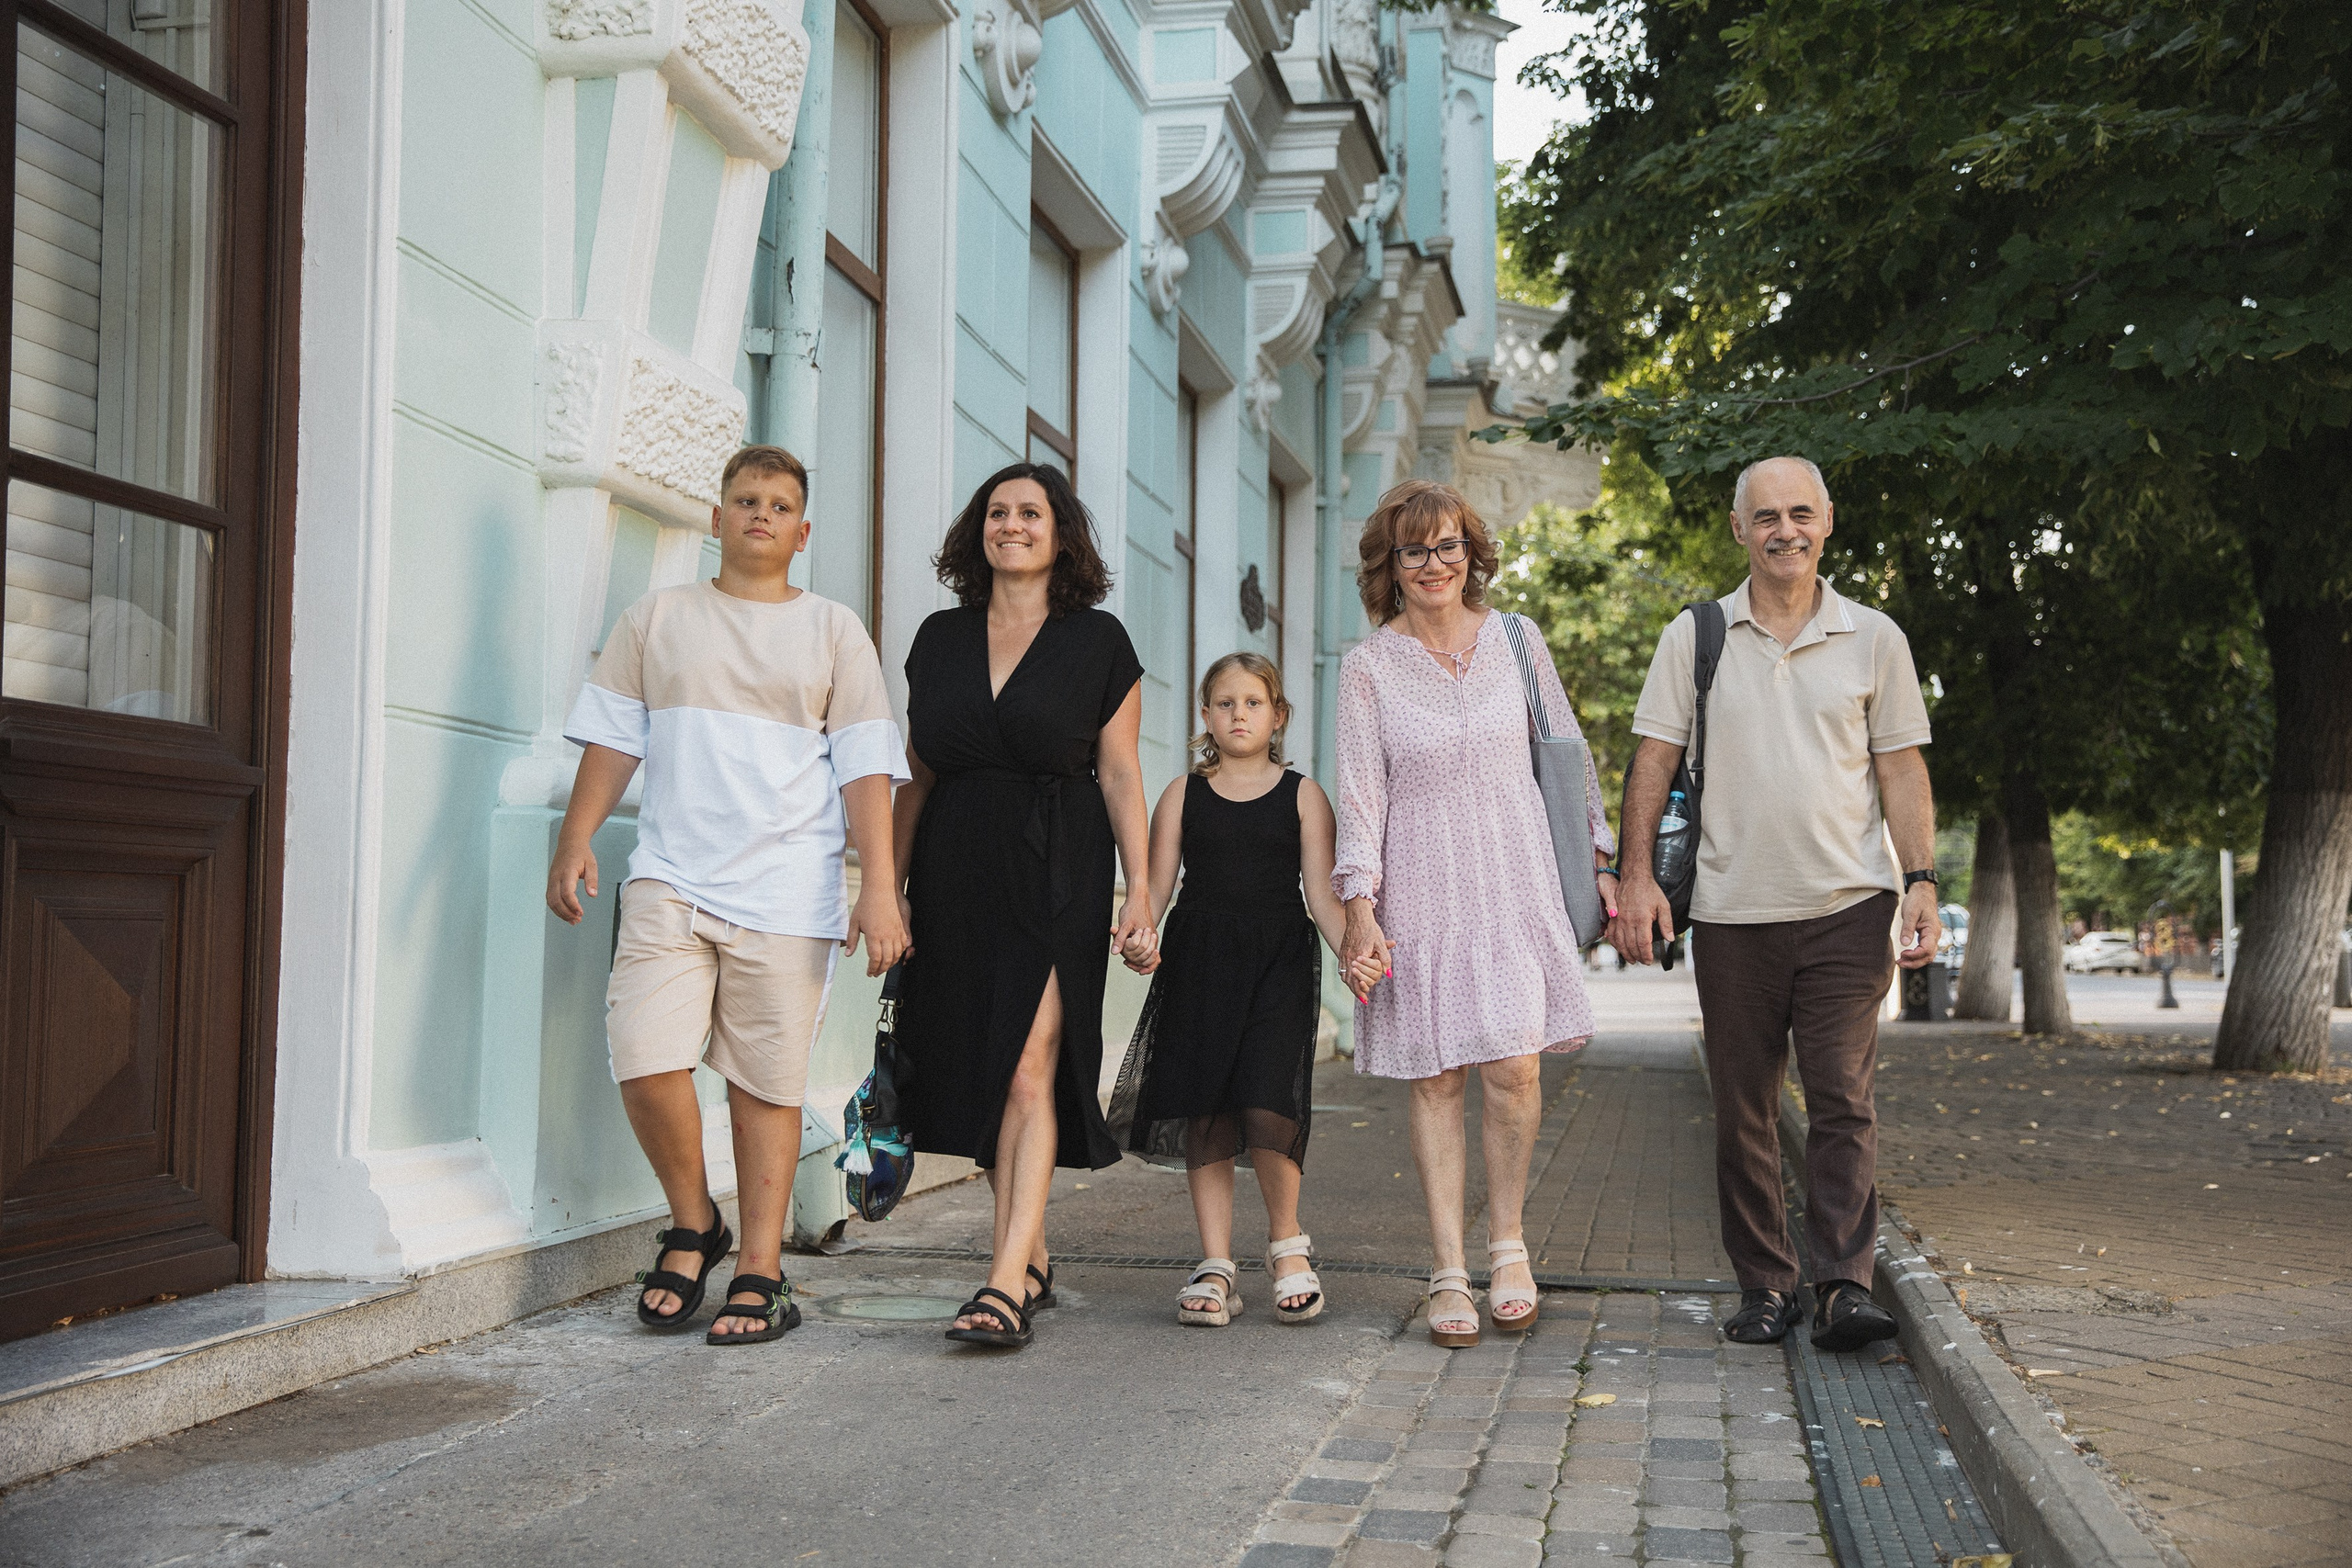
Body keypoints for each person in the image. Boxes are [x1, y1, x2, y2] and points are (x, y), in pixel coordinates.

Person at [548, 444, 910, 1344]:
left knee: (764, 1083)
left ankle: (759, 1267)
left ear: (801, 530)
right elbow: (612, 737)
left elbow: (867, 766)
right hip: (672, 873)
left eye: (779, 505)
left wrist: (881, 890)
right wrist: (575, 835)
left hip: (788, 890)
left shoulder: (833, 630)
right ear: (717, 518)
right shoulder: (659, 617)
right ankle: (691, 1221)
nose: (760, 514)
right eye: (745, 500)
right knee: (644, 1055)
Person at [1608, 456, 1939, 1353]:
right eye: (1765, 516)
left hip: (1846, 906)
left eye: (1800, 513)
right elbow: (1653, 761)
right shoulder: (1698, 635)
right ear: (1738, 529)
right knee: (1744, 1107)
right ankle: (1765, 1285)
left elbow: (1900, 767)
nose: (1784, 530)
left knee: (1841, 1101)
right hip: (1731, 911)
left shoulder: (1874, 638)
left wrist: (1919, 879)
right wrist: (1636, 877)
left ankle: (1840, 1287)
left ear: (1826, 521)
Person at [1333, 479, 1617, 1349]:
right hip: (1419, 882)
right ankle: (1449, 1266)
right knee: (1436, 1077)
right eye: (1414, 550)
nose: (1434, 564)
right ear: (1391, 564)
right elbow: (1360, 792)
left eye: (1449, 545)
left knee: (1515, 1069)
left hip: (1513, 873)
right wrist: (1360, 907)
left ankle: (1511, 1244)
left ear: (1473, 553)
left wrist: (1600, 860)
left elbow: (1568, 755)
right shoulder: (1368, 665)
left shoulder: (1519, 642)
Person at [891, 462, 1152, 1351]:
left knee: (1032, 1066)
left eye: (1030, 513)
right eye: (997, 512)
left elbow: (1118, 773)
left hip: (1059, 866)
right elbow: (917, 775)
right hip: (955, 865)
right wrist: (884, 888)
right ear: (979, 531)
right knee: (984, 1061)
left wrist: (1142, 891)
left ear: (1060, 532)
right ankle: (1029, 1253)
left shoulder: (1098, 642)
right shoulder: (936, 639)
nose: (1011, 525)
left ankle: (1002, 1280)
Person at [1108, 653, 1380, 1326]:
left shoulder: (1304, 795)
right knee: (1208, 1111)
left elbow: (1321, 895)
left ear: (1278, 715)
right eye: (1225, 703)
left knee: (1268, 1104)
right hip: (1199, 964)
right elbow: (1155, 890)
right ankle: (1215, 1262)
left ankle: (1288, 1246)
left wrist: (1354, 953)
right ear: (1205, 714)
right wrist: (1139, 935)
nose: (1238, 714)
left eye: (1253, 703)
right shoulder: (1182, 794)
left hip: (1279, 967)